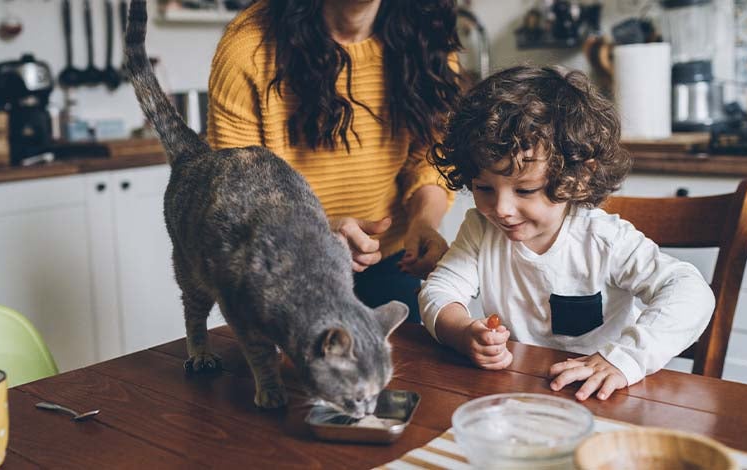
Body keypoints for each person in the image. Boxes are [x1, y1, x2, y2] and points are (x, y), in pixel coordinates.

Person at [419, 65, 715, 401]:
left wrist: (623, 359)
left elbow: (691, 291)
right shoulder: (480, 230)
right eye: (484, 187)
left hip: (602, 396)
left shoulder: (603, 239)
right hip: (519, 393)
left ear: (577, 178)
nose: (500, 208)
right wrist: (462, 332)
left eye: (525, 190)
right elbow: (439, 290)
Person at [206, 0, 461, 323]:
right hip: (288, 264)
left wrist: (423, 222)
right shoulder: (249, 46)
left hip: (392, 260)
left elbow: (428, 157)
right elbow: (237, 194)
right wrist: (317, 231)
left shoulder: (428, 36)